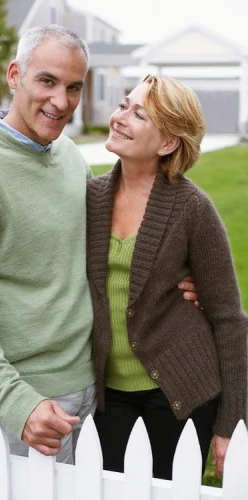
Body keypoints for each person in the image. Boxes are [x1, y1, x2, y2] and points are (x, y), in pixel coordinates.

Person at [0, 25, 198, 464]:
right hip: (34, 399)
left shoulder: (69, 156)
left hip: (98, 383)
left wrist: (185, 281)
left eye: (74, 87)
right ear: (15, 74)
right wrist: (19, 405)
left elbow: (107, 251)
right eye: (47, 81)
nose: (62, 101)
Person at [86, 74, 248, 480]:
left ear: (168, 143)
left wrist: (231, 424)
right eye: (124, 105)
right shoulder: (90, 198)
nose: (120, 117)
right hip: (110, 394)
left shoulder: (193, 209)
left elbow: (229, 319)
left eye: (139, 114)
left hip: (180, 392)